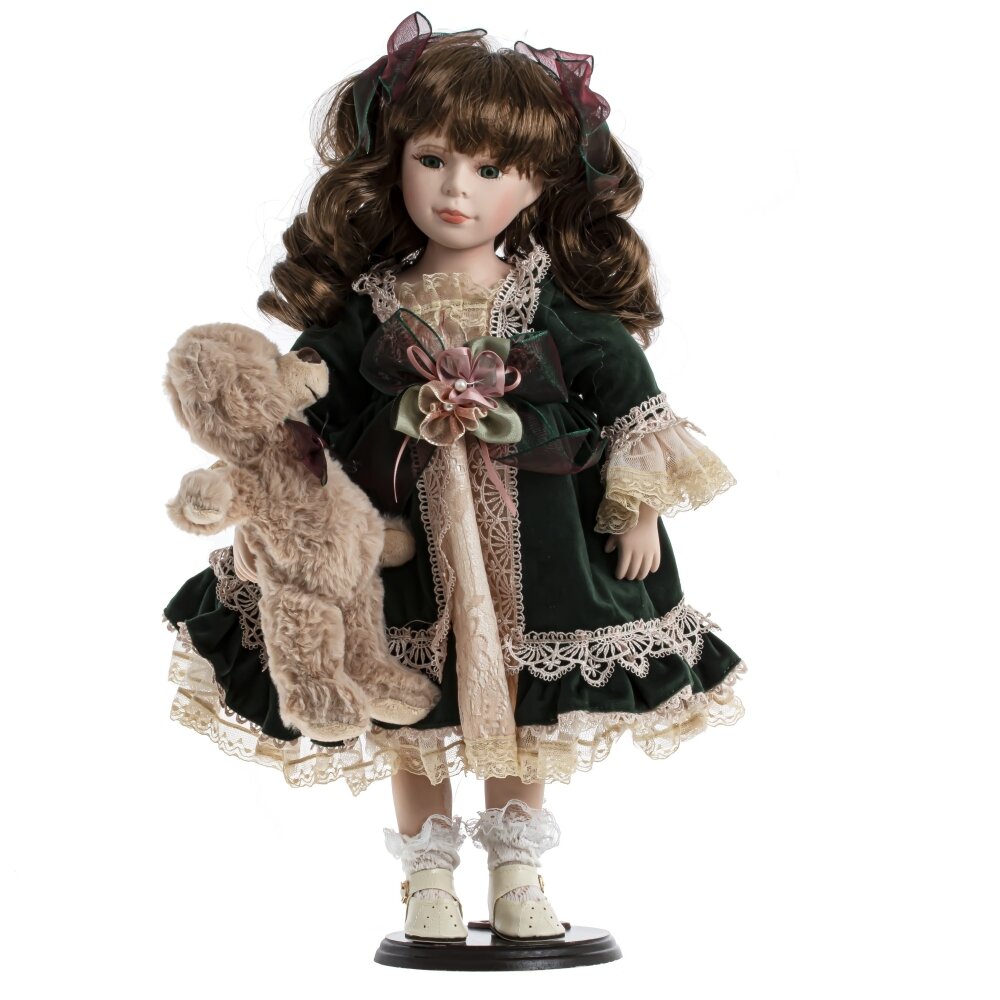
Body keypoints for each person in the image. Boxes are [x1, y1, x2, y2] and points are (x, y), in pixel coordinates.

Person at [162, 13, 747, 943]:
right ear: (395, 162)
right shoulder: (369, 305)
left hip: (540, 537)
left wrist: (636, 506)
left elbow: (628, 393)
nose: (456, 190)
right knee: (409, 692)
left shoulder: (548, 302)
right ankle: (426, 878)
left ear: (537, 182)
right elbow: (306, 399)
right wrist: (268, 464)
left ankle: (516, 871)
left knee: (522, 698)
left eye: (489, 169)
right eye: (433, 160)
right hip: (396, 533)